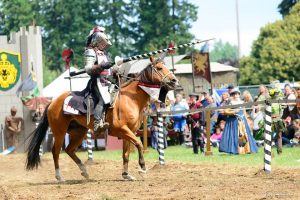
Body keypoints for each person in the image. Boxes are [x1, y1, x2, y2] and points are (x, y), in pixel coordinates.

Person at [84, 26, 115, 133]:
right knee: (102, 99)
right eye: (102, 43)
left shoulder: (105, 54)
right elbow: (88, 68)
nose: (104, 46)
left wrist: (116, 67)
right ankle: (97, 124)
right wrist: (102, 66)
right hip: (96, 82)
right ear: (97, 41)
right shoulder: (90, 52)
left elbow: (110, 70)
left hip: (107, 82)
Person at [219, 89, 258, 154]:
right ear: (232, 95)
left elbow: (244, 111)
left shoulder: (241, 102)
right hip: (233, 120)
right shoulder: (230, 102)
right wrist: (233, 112)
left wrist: (247, 119)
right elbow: (225, 111)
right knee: (234, 135)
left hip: (242, 120)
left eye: (237, 94)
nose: (236, 95)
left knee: (245, 135)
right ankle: (234, 149)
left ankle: (247, 149)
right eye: (234, 94)